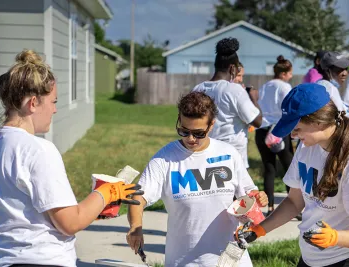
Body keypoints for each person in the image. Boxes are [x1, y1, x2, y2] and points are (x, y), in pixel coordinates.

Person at [0, 50, 143, 267]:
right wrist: (107, 193)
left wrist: (93, 210)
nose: (55, 110)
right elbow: (70, 223)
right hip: (40, 261)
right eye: (53, 101)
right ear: (33, 103)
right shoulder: (38, 150)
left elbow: (25, 215)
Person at [235, 83, 349, 267]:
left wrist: (335, 237)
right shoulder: (306, 147)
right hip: (311, 258)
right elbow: (295, 202)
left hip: (348, 259)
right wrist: (259, 229)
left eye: (296, 129)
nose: (293, 136)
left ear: (318, 121)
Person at [126, 92, 268, 267]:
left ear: (212, 126)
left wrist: (258, 197)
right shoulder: (164, 159)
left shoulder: (228, 153)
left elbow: (249, 194)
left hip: (232, 260)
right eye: (184, 131)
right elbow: (137, 197)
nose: (191, 138)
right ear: (179, 120)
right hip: (185, 261)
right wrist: (135, 227)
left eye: (199, 133)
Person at [192, 37, 262, 169]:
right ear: (232, 69)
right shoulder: (234, 90)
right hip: (232, 159)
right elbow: (257, 121)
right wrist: (253, 98)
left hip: (204, 156)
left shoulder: (198, 89)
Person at [256, 55, 294, 216]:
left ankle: (270, 207)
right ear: (284, 73)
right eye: (291, 73)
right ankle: (294, 207)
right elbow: (288, 110)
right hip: (279, 130)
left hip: (263, 130)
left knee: (269, 168)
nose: (291, 76)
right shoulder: (285, 87)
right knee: (290, 170)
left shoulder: (265, 86)